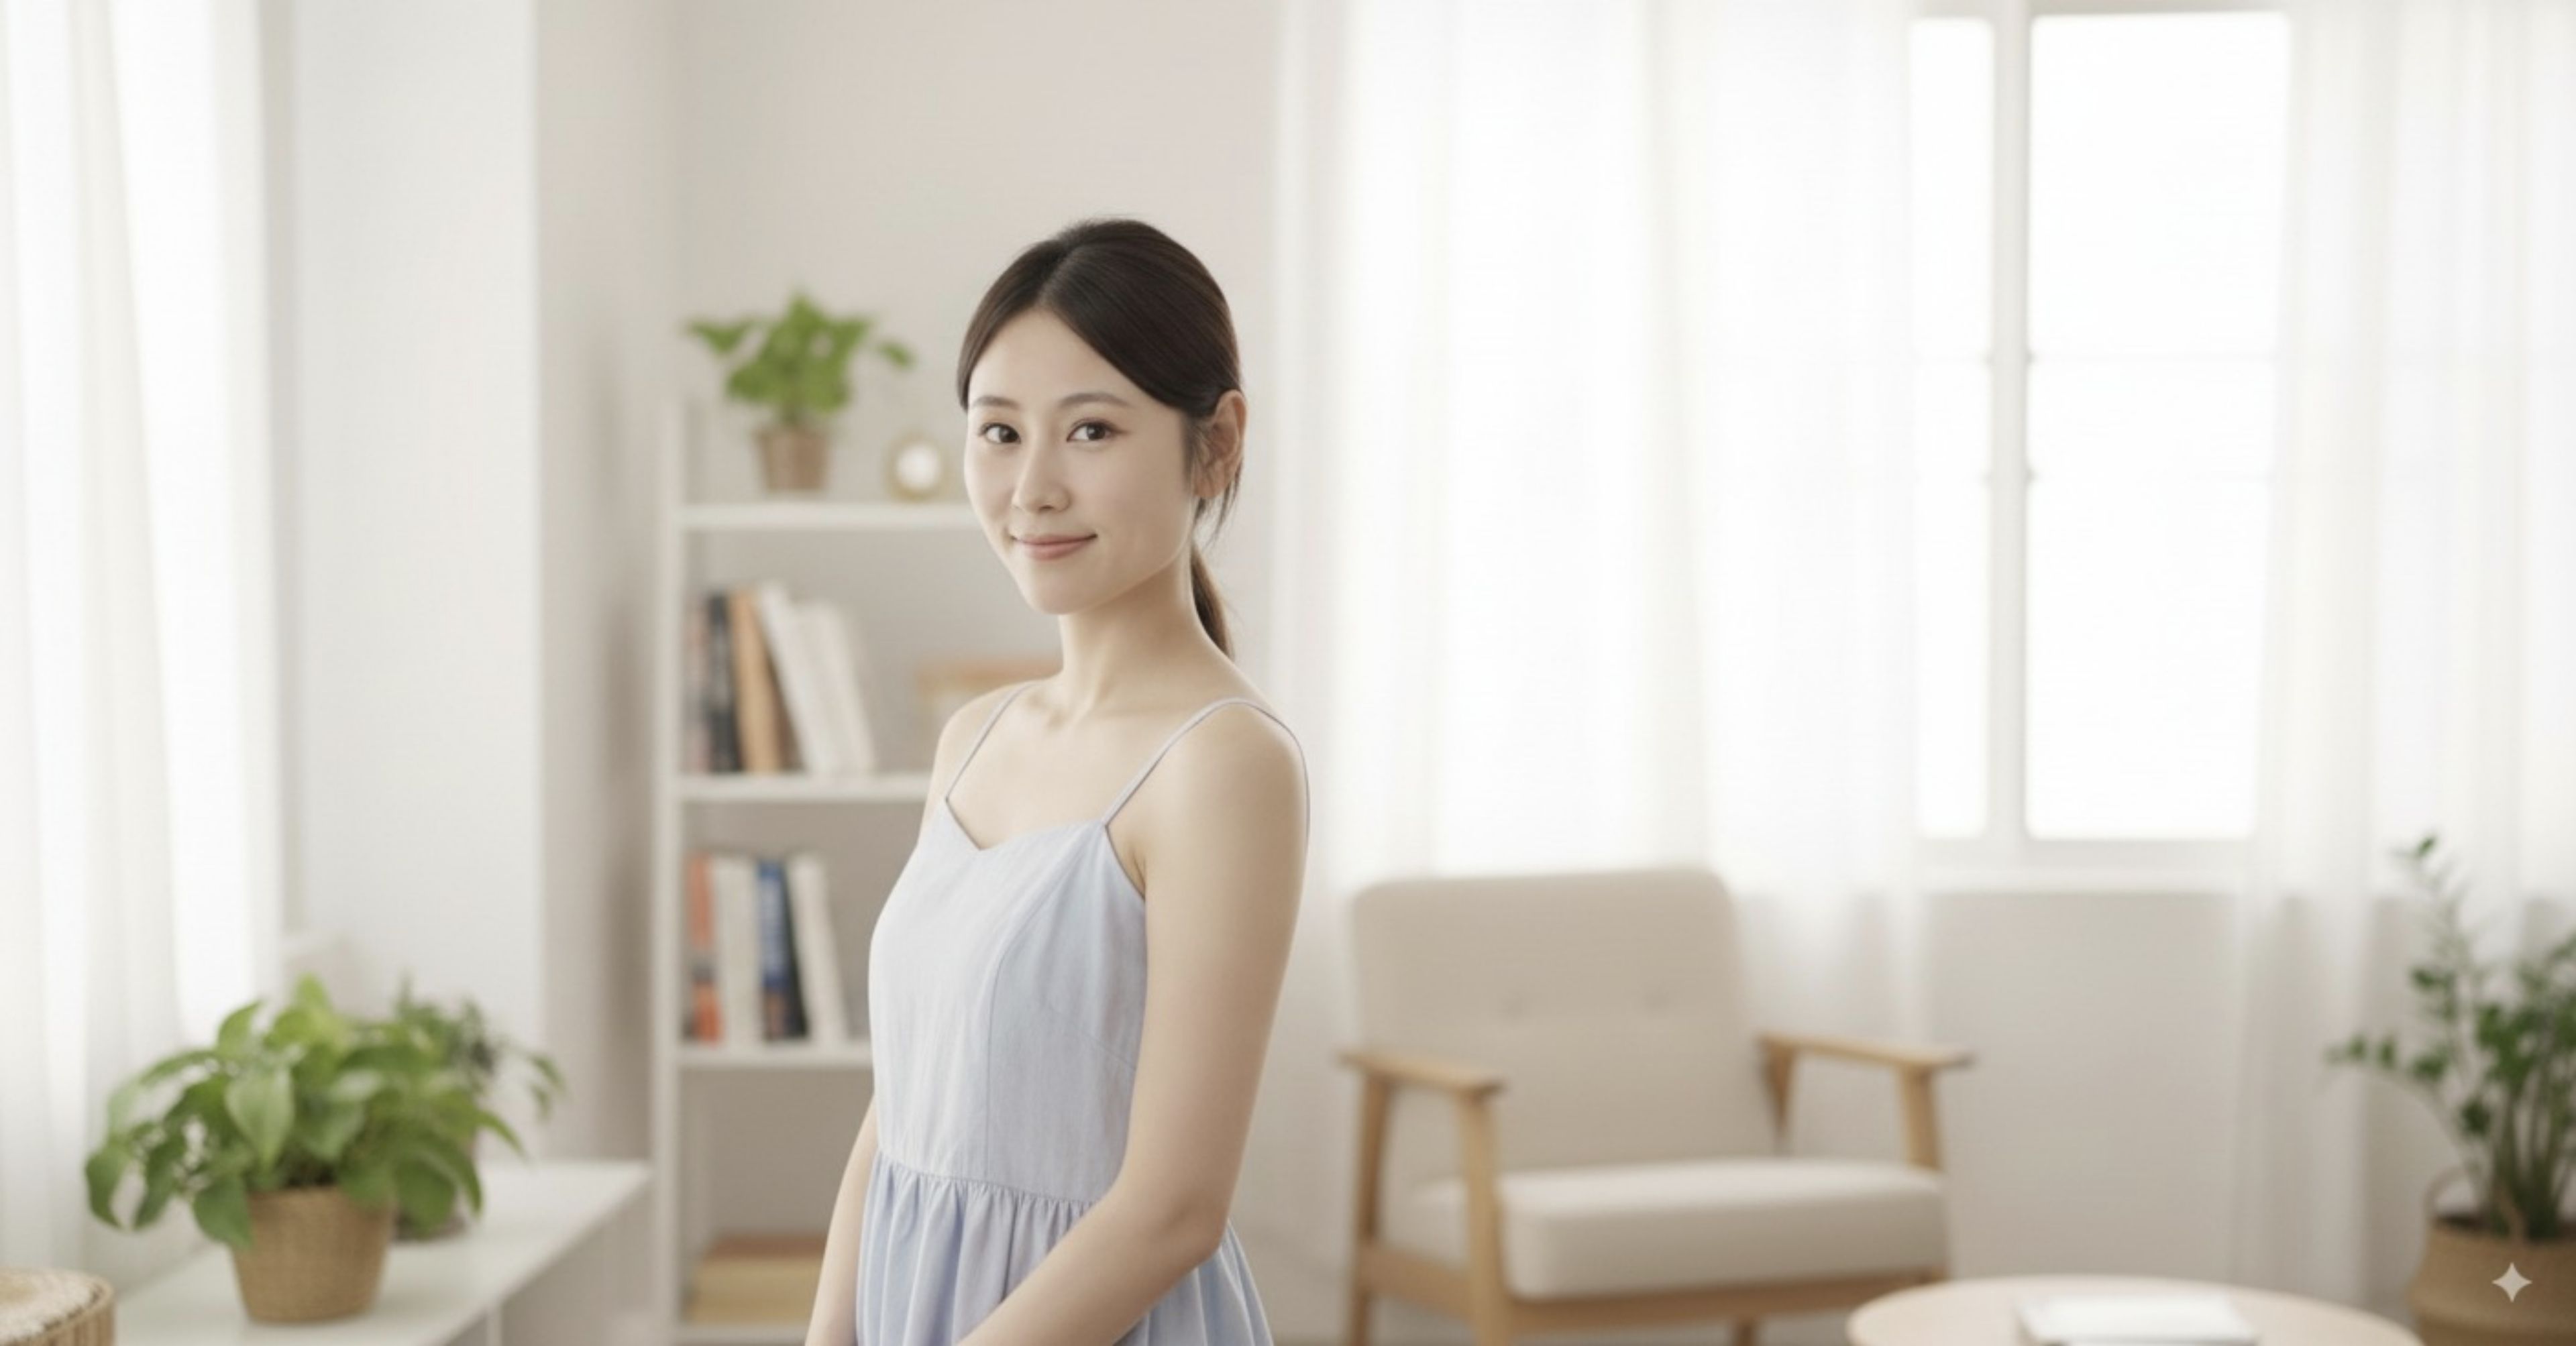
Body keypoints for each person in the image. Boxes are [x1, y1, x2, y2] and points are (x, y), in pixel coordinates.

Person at [804, 217, 1310, 1346]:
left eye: (1090, 431)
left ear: (1216, 442)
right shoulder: (972, 740)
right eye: (998, 432)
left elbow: (1173, 1210)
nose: (1031, 488)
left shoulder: (1224, 763)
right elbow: (903, 1108)